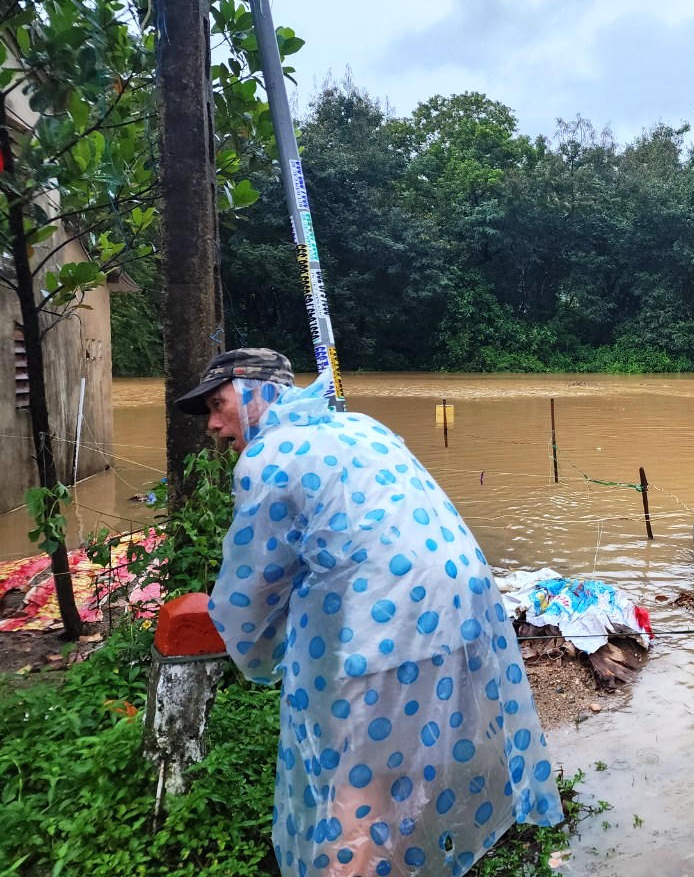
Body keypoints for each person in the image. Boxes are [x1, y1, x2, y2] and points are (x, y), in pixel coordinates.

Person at [176, 348, 564, 877]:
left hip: (390, 617)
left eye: (218, 405)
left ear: (256, 390)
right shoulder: (359, 426)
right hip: (464, 604)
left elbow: (251, 587)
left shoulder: (268, 458)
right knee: (401, 765)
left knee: (357, 787)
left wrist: (258, 658)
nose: (214, 427)